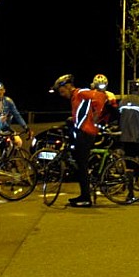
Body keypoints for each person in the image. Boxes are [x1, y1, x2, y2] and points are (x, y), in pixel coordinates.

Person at [50, 73, 106, 207]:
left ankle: (86, 198)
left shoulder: (81, 92)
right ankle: (83, 194)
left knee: (82, 165)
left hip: (86, 133)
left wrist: (97, 117)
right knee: (80, 164)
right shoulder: (76, 97)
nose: (61, 94)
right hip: (82, 132)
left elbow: (100, 96)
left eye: (62, 91)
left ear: (68, 86)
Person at [118, 78, 139, 201]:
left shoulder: (122, 101)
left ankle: (130, 193)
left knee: (129, 166)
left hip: (125, 138)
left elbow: (119, 119)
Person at [0, 81, 30, 147]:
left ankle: (9, 156)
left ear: (4, 91)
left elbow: (17, 115)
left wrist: (25, 127)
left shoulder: (8, 101)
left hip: (5, 128)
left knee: (18, 142)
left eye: (1, 90)